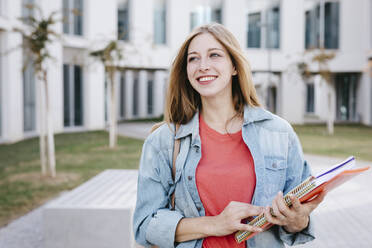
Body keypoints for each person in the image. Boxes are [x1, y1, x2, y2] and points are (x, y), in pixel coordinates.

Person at [133, 23, 326, 248]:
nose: (203, 66)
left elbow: (298, 219)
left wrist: (298, 220)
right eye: (193, 59)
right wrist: (215, 224)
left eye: (214, 55)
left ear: (234, 66)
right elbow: (144, 226)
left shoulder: (279, 133)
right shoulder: (163, 142)